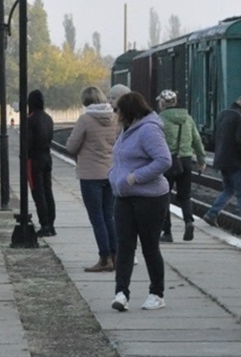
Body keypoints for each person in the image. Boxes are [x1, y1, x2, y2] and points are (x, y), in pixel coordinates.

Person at [108, 91, 172, 312]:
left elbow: (164, 160)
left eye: (118, 111)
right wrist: (114, 176)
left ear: (129, 112)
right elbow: (120, 158)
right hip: (125, 197)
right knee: (124, 246)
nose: (116, 115)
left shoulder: (148, 130)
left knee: (149, 247)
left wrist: (135, 177)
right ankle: (121, 293)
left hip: (150, 199)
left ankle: (157, 293)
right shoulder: (126, 131)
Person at [66, 86, 120, 272]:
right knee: (109, 216)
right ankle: (116, 255)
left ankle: (104, 259)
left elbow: (71, 147)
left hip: (90, 175)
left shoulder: (85, 120)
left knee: (97, 218)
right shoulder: (115, 118)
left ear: (85, 102)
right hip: (111, 173)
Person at [202, 93, 241, 236]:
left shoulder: (223, 114)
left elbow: (215, 137)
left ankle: (212, 213)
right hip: (237, 162)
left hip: (222, 160)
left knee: (229, 189)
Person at [156, 90, 206, 243]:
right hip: (185, 160)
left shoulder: (159, 119)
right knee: (185, 196)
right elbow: (197, 140)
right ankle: (188, 221)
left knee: (164, 195)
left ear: (163, 103)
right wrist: (201, 160)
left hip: (168, 161)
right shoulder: (187, 118)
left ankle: (167, 232)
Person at [26, 89, 57, 237]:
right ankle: (51, 224)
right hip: (47, 157)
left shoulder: (30, 119)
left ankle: (44, 223)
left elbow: (28, 143)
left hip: (34, 159)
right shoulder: (48, 118)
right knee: (48, 191)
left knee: (38, 192)